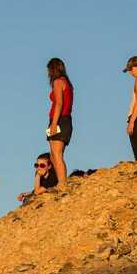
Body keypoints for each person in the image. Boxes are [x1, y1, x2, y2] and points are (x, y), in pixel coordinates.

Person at [46, 58, 74, 186]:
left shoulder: (58, 82)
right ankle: (59, 182)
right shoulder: (66, 82)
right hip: (63, 119)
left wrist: (54, 123)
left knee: (57, 155)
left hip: (60, 119)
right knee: (53, 155)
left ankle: (62, 184)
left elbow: (59, 103)